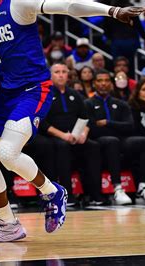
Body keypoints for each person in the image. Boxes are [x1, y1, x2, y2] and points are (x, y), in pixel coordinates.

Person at [0, 0, 144, 242]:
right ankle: (8, 224)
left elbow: (68, 5)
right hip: (2, 96)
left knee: (8, 153)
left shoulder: (18, 4)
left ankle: (52, 192)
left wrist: (112, 11)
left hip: (31, 90)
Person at [85, 70, 145, 205]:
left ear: (111, 84)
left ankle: (143, 188)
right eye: (100, 81)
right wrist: (116, 127)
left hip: (121, 139)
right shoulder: (87, 104)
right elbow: (93, 129)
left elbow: (130, 126)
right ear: (94, 84)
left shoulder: (121, 104)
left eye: (107, 81)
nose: (103, 84)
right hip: (99, 142)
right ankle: (117, 189)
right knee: (112, 141)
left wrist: (107, 123)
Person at [39, 63, 104, 206]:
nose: (61, 75)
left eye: (64, 72)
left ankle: (94, 195)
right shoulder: (45, 94)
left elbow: (86, 117)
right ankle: (67, 194)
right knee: (62, 147)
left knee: (93, 146)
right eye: (57, 72)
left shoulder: (75, 94)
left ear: (68, 75)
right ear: (50, 75)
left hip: (76, 136)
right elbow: (42, 122)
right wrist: (63, 135)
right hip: (55, 136)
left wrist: (83, 134)